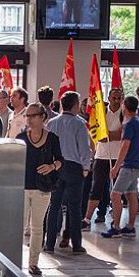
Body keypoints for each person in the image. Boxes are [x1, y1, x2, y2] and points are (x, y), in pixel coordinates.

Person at [16, 103, 63, 275]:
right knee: (19, 227)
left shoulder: (52, 138)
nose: (28, 119)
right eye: (27, 116)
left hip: (42, 188)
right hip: (22, 187)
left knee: (37, 227)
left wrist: (52, 166)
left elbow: (60, 160)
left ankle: (33, 263)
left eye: (32, 115)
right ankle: (15, 262)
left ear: (42, 117)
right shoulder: (21, 137)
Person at [44, 91, 91, 254]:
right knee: (74, 207)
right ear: (75, 105)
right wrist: (86, 167)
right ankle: (76, 245)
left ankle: (49, 244)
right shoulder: (79, 124)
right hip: (73, 168)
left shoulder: (51, 123)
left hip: (56, 167)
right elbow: (84, 148)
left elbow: (47, 147)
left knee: (54, 206)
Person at [101, 96, 139, 239]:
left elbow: (125, 146)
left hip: (129, 165)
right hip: (136, 163)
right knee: (131, 195)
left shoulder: (130, 124)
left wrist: (116, 167)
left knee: (115, 194)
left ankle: (116, 227)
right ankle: (130, 227)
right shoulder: (138, 122)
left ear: (125, 107)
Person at [83, 88, 124, 227]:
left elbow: (122, 134)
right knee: (96, 188)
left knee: (117, 191)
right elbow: (96, 134)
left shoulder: (124, 113)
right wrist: (107, 135)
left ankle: (116, 220)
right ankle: (87, 219)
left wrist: (108, 135)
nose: (117, 101)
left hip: (118, 157)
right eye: (114, 98)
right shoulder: (101, 112)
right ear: (109, 98)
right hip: (101, 156)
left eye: (119, 98)